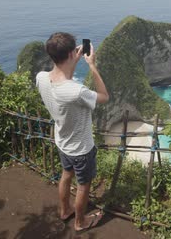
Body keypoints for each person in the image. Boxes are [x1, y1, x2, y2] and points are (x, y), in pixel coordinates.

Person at [36, 32, 109, 233]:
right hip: (82, 149)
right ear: (70, 53)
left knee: (66, 175)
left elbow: (61, 78)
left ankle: (64, 211)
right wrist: (92, 65)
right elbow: (104, 97)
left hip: (62, 142)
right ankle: (80, 222)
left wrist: (73, 61)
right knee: (83, 185)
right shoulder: (76, 91)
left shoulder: (41, 78)